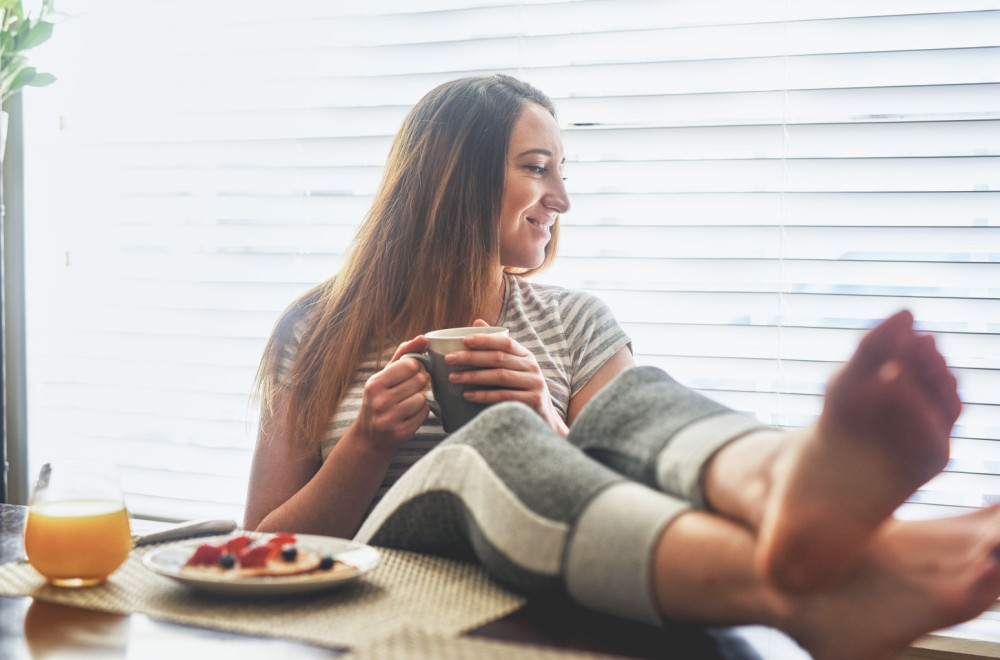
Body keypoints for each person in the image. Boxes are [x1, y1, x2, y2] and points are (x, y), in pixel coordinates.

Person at [246, 74, 1000, 660]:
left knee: (625, 402)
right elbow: (255, 546)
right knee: (488, 445)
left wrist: (546, 418)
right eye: (538, 168)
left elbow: (640, 488)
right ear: (456, 180)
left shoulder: (577, 321)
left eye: (561, 171)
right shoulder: (316, 330)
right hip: (397, 577)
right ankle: (827, 585)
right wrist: (366, 445)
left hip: (546, 592)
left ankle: (778, 485)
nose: (562, 198)